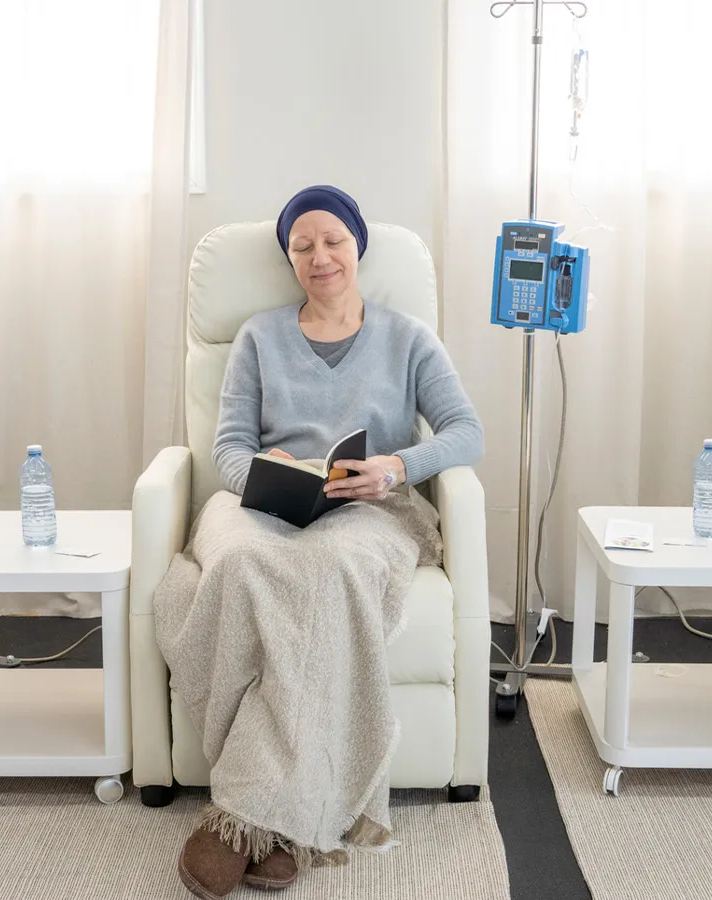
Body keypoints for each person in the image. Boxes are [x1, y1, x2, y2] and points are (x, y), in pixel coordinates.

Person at [156, 185, 482, 899]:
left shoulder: (408, 339)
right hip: (265, 502)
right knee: (240, 562)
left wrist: (395, 467)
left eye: (331, 240)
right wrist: (272, 480)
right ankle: (287, 817)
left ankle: (245, 817)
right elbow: (232, 447)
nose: (318, 256)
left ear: (356, 245)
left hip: (371, 510)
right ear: (290, 261)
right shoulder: (258, 337)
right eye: (301, 247)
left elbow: (467, 433)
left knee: (329, 572)